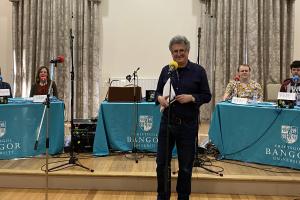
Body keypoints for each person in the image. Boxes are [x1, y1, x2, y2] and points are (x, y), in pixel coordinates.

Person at [155, 35, 211, 200]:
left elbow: (206, 95)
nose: (178, 54)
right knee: (162, 164)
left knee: (186, 166)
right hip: (167, 124)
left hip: (188, 126)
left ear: (188, 51)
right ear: (171, 53)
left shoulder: (198, 71)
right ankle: (162, 196)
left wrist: (192, 98)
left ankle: (183, 197)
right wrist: (159, 99)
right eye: (175, 52)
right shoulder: (166, 70)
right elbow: (157, 92)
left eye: (181, 51)